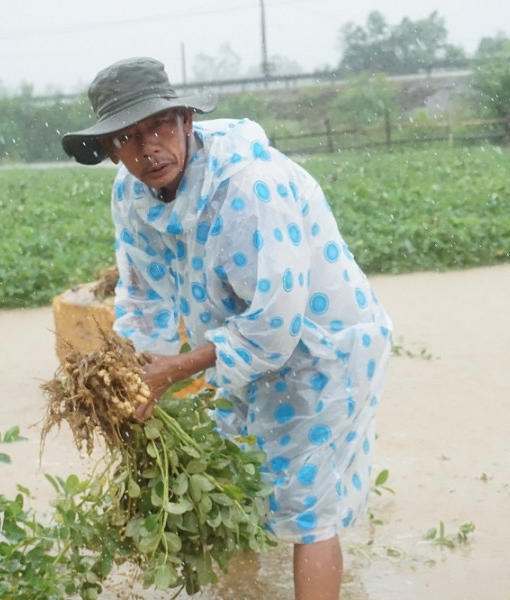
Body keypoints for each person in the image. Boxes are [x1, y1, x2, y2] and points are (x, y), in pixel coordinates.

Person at [62, 57, 392, 600]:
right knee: (233, 481)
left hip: (321, 346)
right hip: (232, 345)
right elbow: (143, 296)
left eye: (159, 127)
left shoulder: (249, 188)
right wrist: (135, 375)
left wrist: (175, 370)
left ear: (186, 122)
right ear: (111, 150)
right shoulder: (130, 195)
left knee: (306, 504)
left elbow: (276, 324)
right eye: (127, 137)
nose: (148, 149)